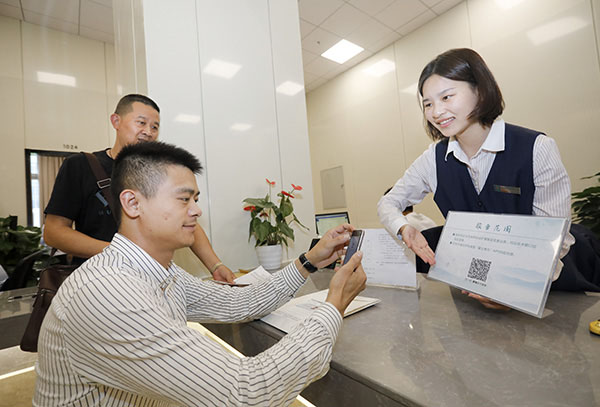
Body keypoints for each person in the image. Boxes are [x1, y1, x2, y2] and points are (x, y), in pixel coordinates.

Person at [33, 141, 367, 406]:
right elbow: (245, 393)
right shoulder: (108, 293)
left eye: (195, 198)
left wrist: (309, 260)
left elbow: (238, 303)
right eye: (184, 199)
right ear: (133, 204)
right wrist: (334, 304)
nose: (196, 210)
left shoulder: (160, 272)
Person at [378, 48, 597, 308]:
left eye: (446, 97)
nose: (436, 112)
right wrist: (404, 228)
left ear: (480, 91)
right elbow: (388, 202)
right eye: (428, 104)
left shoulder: (537, 148)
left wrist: (515, 291)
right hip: (472, 292)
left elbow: (556, 240)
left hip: (545, 289)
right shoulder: (433, 159)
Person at [43, 94, 235, 282]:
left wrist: (216, 266)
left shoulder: (159, 170)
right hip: (98, 278)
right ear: (116, 121)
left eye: (155, 127)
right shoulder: (80, 165)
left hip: (153, 279)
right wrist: (123, 253)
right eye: (141, 123)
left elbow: (185, 219)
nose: (148, 132)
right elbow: (54, 232)